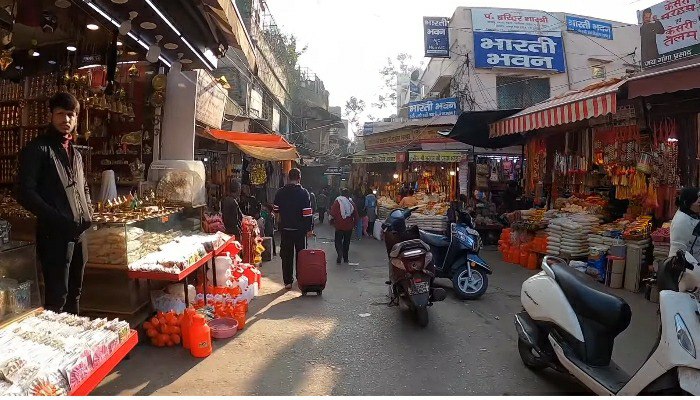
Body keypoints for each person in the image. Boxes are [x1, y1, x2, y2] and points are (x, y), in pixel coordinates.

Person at [18, 92, 93, 314]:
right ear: (51, 116)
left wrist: (87, 211)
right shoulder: (38, 149)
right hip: (53, 235)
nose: (66, 120)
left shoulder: (76, 154)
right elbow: (24, 192)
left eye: (71, 114)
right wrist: (55, 217)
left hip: (79, 234)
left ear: (77, 118)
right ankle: (59, 344)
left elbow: (83, 186)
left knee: (75, 292)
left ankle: (76, 342)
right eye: (60, 113)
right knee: (57, 297)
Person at [273, 168, 313, 290]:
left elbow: (275, 210)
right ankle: (300, 278)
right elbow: (307, 213)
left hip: (285, 229)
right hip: (300, 231)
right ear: (299, 178)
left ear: (288, 178)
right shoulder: (304, 193)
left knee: (286, 256)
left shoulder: (280, 192)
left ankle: (288, 282)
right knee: (301, 255)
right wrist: (309, 229)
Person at [669, 187, 700, 260]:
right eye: (698, 198)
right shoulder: (681, 221)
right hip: (688, 266)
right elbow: (677, 251)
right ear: (688, 202)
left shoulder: (693, 214)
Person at [330, 188, 358, 264]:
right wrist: (355, 225)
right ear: (348, 195)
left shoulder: (337, 202)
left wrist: (331, 221)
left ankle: (339, 253)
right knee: (346, 242)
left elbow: (332, 213)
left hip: (339, 225)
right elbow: (355, 215)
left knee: (338, 241)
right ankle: (345, 258)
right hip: (349, 226)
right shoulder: (351, 203)